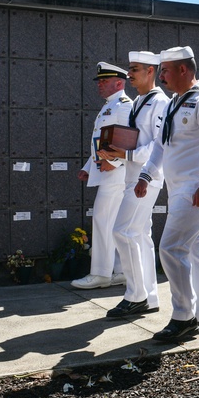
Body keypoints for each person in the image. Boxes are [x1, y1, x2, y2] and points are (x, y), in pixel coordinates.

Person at [136, 46, 199, 342]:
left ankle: (182, 316)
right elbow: (161, 146)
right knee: (191, 251)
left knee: (170, 248)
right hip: (177, 188)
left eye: (165, 70)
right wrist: (146, 175)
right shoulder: (173, 103)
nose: (161, 76)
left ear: (183, 70)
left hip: (196, 188)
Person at [98, 51, 169, 318]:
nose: (130, 74)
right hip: (133, 175)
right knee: (139, 236)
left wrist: (126, 156)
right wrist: (116, 150)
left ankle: (135, 295)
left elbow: (159, 145)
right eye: (130, 68)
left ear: (150, 71)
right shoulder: (140, 101)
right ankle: (149, 296)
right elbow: (136, 139)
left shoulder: (160, 102)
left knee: (122, 231)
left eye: (135, 69)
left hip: (145, 178)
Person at [71, 62, 131, 290]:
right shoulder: (110, 106)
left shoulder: (123, 106)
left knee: (103, 221)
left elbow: (127, 140)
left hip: (117, 176)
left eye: (104, 81)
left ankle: (101, 274)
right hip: (108, 173)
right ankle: (120, 271)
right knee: (112, 224)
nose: (100, 85)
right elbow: (102, 142)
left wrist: (113, 161)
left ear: (119, 83)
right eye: (100, 81)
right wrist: (89, 166)